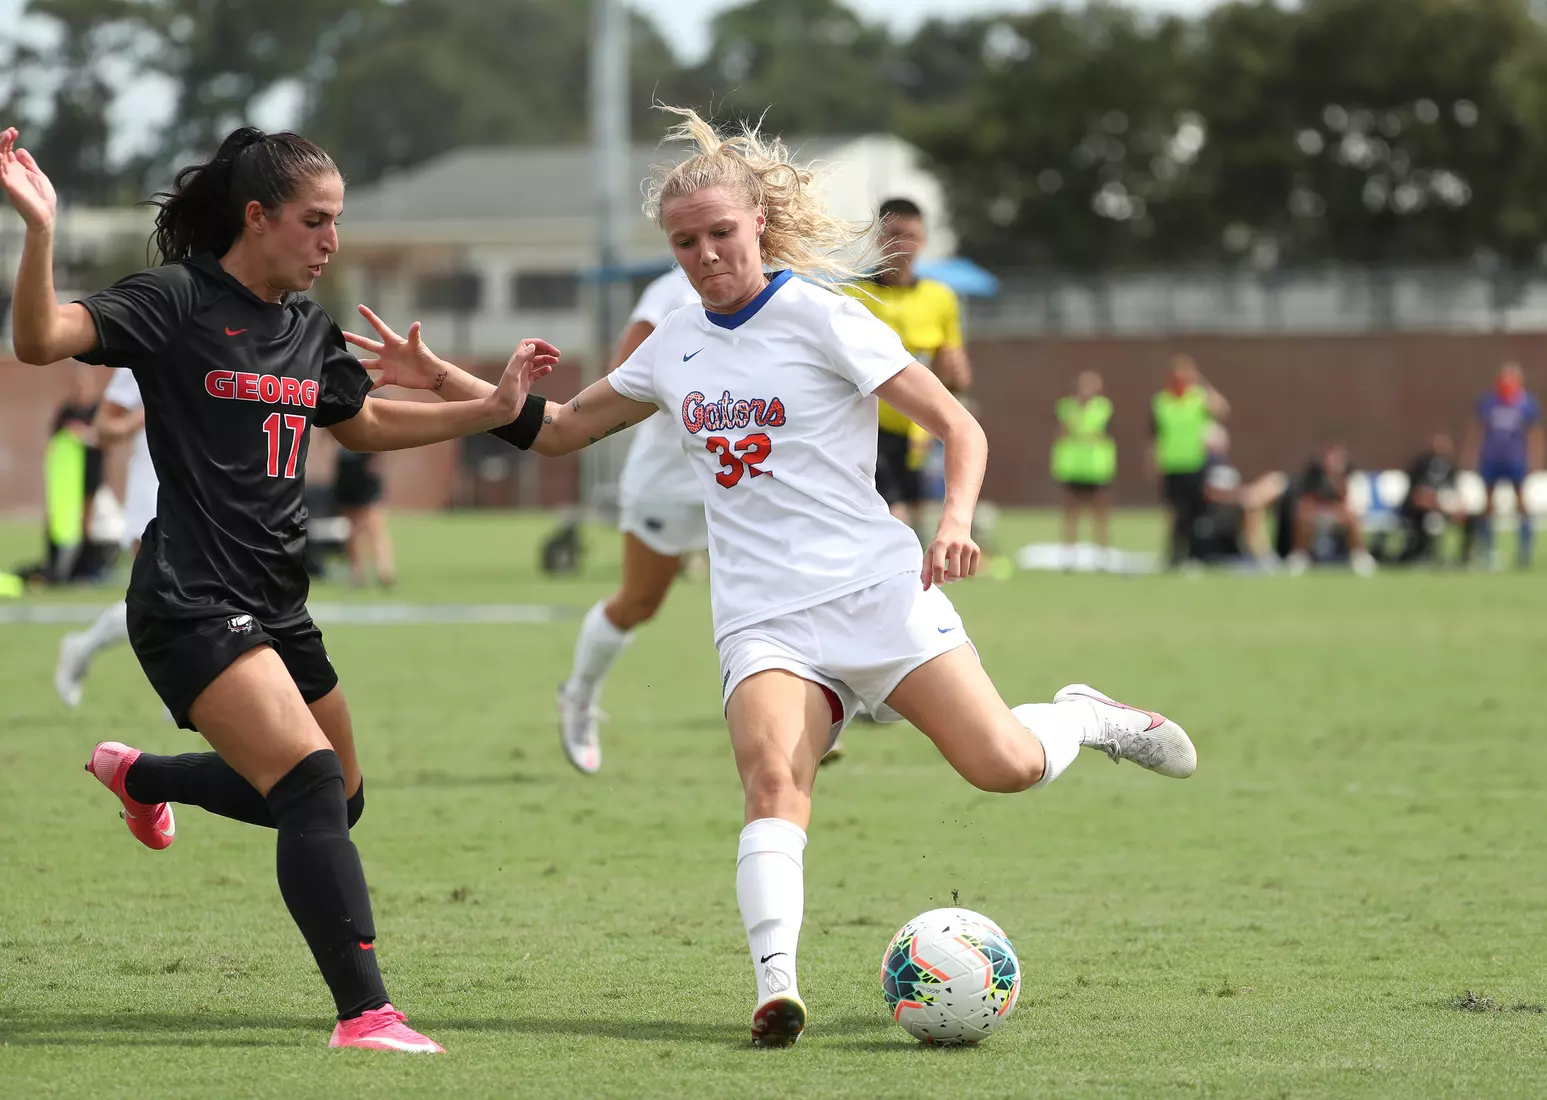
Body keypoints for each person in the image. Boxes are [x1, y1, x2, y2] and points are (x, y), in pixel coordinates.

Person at [345, 107, 1198, 1049]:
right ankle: (775, 987)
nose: (704, 254)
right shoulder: (671, 343)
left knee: (1003, 767)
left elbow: (961, 426)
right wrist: (443, 379)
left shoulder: (826, 318)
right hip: (763, 617)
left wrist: (953, 522)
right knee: (770, 781)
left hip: (878, 594)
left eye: (719, 233)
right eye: (684, 242)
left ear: (757, 223)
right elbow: (555, 428)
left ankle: (1082, 715)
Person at [2, 123, 557, 1053]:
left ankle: (140, 774)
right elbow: (41, 339)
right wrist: (40, 231)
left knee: (336, 799)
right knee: (304, 782)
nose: (331, 242)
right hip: (187, 595)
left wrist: (493, 411)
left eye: (337, 221)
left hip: (278, 602)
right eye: (315, 221)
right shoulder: (177, 300)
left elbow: (366, 422)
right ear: (256, 218)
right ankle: (366, 1014)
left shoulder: (305, 327)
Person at [555, 265, 701, 774]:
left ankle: (811, 707)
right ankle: (578, 694)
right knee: (640, 602)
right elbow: (622, 379)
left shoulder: (791, 290)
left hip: (748, 479)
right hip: (671, 480)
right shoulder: (671, 294)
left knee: (774, 596)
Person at [844, 198, 971, 530]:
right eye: (894, 234)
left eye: (910, 235)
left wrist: (957, 374)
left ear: (923, 240)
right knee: (891, 515)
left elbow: (954, 373)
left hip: (919, 429)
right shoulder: (852, 296)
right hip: (869, 424)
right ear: (878, 238)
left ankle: (916, 580)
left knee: (917, 518)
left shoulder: (940, 298)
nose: (902, 244)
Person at [55, 367, 158, 706]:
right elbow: (102, 429)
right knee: (160, 597)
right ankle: (182, 702)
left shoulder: (221, 340)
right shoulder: (147, 350)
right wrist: (140, 420)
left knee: (177, 601)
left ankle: (82, 647)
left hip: (205, 492)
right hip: (155, 491)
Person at [1150, 355, 1227, 565]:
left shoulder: (1199, 398)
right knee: (1176, 513)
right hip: (1172, 465)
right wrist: (1154, 463)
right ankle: (1174, 555)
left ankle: (1194, 555)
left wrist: (1202, 382)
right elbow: (1155, 436)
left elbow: (1222, 408)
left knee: (1195, 513)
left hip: (1195, 464)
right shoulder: (1161, 402)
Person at [1464, 362, 1543, 569]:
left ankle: (1524, 553)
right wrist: (1471, 456)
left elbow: (1534, 433)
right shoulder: (1488, 402)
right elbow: (1478, 431)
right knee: (1488, 505)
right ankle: (1488, 550)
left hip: (1515, 459)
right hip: (1491, 459)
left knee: (1521, 505)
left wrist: (1535, 459)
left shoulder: (1526, 403)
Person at [1279, 442, 1376, 575]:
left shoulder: (1351, 477)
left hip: (1339, 517)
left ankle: (1360, 556)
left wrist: (1337, 485)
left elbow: (1351, 504)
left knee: (1351, 517)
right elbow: (1306, 500)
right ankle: (1300, 556)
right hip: (1317, 516)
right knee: (1303, 514)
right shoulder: (1314, 476)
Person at [1052, 370, 1116, 561]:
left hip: (1097, 466)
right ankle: (1070, 551)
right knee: (1071, 510)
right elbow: (1060, 432)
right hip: (1073, 466)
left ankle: (1102, 550)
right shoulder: (1065, 408)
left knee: (1100, 510)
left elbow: (1106, 434)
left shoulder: (1104, 408)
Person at [333, 446, 395, 587]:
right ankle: (357, 572)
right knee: (351, 527)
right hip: (347, 469)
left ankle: (384, 572)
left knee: (375, 524)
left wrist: (378, 460)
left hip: (366, 466)